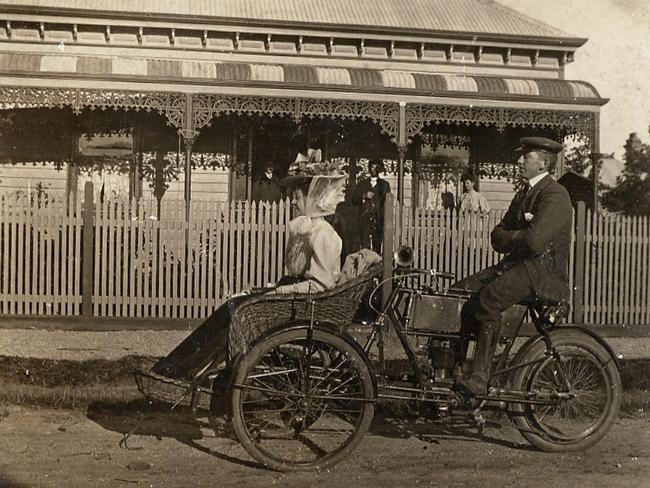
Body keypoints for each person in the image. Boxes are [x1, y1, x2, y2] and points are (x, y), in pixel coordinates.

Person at [151, 159, 347, 381]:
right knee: (231, 307)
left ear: (313, 197)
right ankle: (177, 367)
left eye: (298, 196)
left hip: (303, 307)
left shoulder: (324, 234)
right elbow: (295, 278)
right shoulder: (306, 230)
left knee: (235, 311)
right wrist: (268, 289)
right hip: (293, 300)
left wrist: (275, 293)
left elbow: (319, 285)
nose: (293, 200)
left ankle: (184, 370)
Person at [453, 137, 572, 396]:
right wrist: (518, 234)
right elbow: (496, 236)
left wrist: (514, 236)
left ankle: (479, 379)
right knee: (458, 293)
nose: (519, 161)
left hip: (542, 273)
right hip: (518, 265)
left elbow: (534, 241)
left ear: (543, 164)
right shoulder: (524, 194)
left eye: (526, 157)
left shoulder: (555, 195)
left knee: (488, 301)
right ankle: (455, 370)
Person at [353, 159, 391, 254]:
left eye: (377, 167)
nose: (374, 169)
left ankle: (376, 266)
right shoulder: (362, 184)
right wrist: (364, 196)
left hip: (378, 219)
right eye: (373, 167)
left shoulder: (385, 185)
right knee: (365, 243)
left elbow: (388, 202)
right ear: (369, 168)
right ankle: (365, 265)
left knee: (377, 244)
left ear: (380, 169)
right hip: (364, 217)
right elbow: (353, 200)